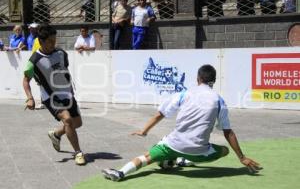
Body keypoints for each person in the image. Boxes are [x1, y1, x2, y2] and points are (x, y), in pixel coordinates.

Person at [102, 64, 261, 181]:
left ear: (198, 78)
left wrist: (144, 131)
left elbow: (160, 114)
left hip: (172, 145)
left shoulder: (184, 94)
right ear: (213, 80)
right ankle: (184, 160)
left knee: (146, 158)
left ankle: (120, 173)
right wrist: (242, 157)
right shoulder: (219, 100)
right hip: (199, 152)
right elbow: (228, 132)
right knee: (224, 150)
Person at [23, 24, 86, 165]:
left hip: (67, 94)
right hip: (51, 97)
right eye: (50, 41)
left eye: (54, 40)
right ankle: (78, 152)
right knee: (68, 120)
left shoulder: (61, 53)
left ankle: (56, 134)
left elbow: (64, 71)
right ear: (41, 41)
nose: (53, 43)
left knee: (77, 123)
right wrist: (30, 98)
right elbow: (26, 81)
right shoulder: (34, 61)